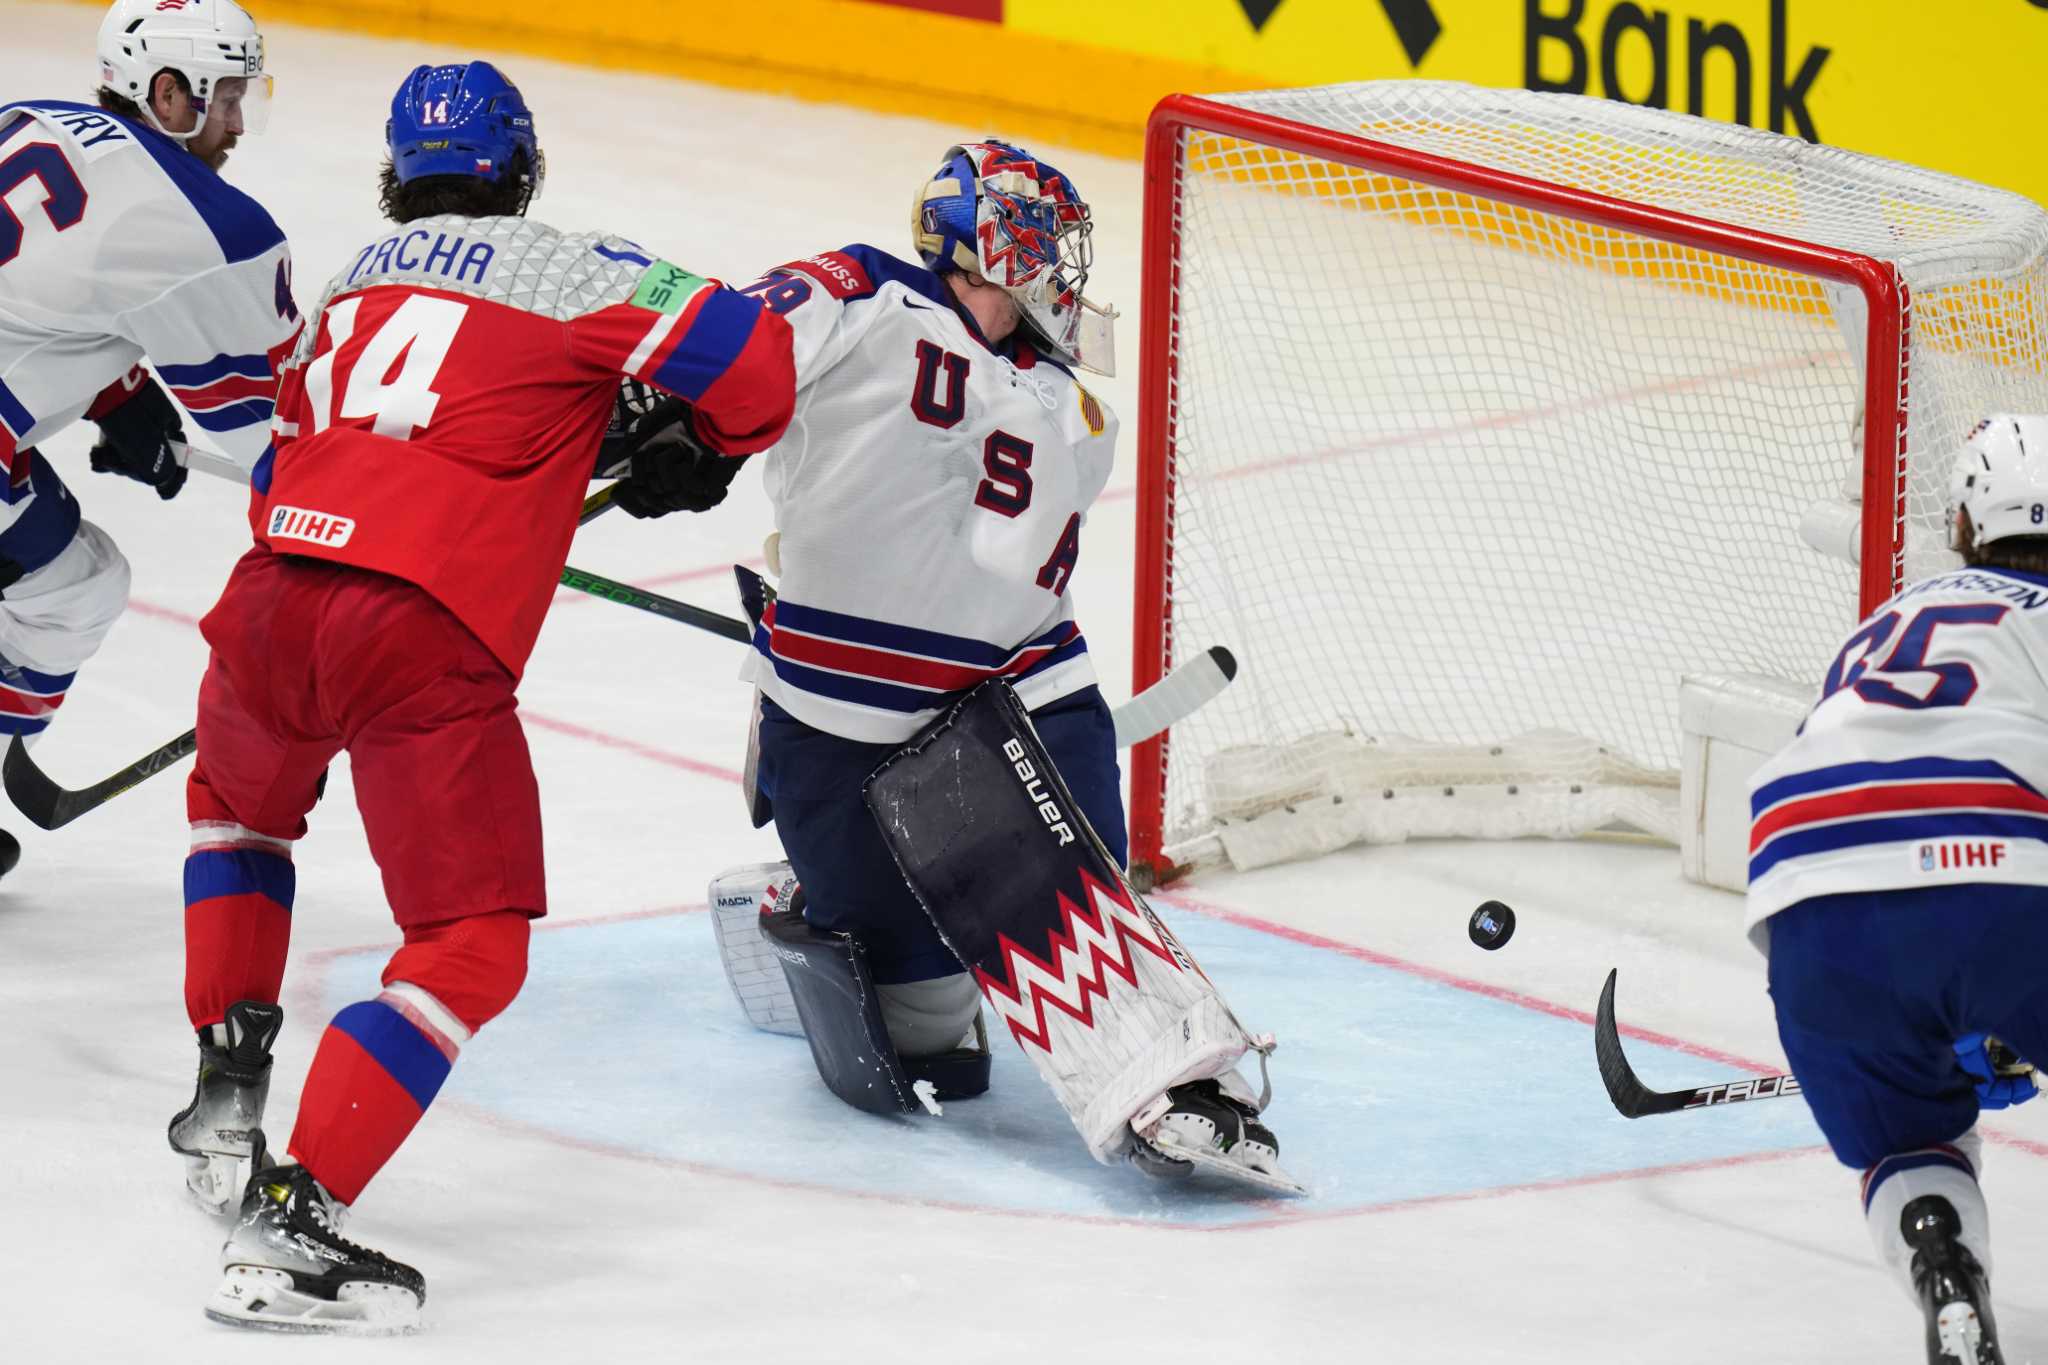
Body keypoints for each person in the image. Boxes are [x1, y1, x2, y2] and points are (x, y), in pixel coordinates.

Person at [170, 61, 796, 1334]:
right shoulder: (574, 268)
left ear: (396, 178)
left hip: (268, 596)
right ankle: (295, 1217)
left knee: (238, 819)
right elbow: (755, 359)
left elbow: (293, 450)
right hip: (416, 635)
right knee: (469, 942)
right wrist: (695, 444)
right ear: (521, 170)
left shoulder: (350, 282)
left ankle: (225, 1096)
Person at [689, 142, 1286, 1184]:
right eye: (1054, 253)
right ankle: (807, 892)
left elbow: (980, 566)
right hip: (835, 719)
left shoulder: (1074, 406)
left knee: (1082, 910)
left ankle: (1171, 1075)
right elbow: (723, 343)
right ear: (1006, 250)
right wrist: (674, 419)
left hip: (1006, 700)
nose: (1068, 279)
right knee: (929, 1049)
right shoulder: (860, 289)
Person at [1746, 414, 2048, 1365]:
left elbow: (1836, 804)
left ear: (1963, 525)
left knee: (1914, 1141)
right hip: (1998, 886)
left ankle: (1945, 1270)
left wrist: (1962, 1002)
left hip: (1807, 905)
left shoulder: (1881, 628)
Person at [0, 0, 295, 868]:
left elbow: (37, 293)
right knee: (73, 587)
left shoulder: (31, 119)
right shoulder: (201, 225)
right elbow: (282, 439)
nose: (239, 124)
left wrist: (117, 391)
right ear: (167, 95)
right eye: (226, 99)